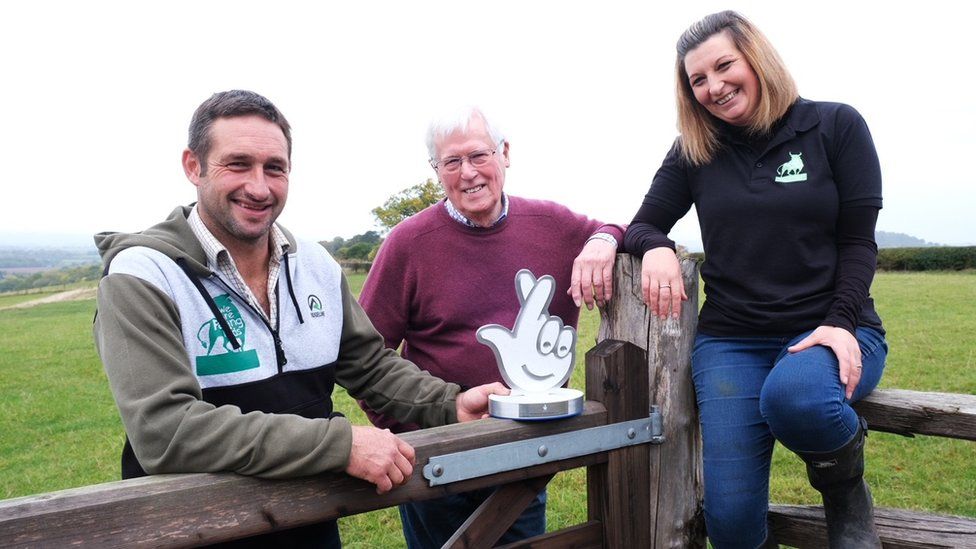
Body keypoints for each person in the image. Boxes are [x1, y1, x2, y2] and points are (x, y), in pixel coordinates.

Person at [93, 90, 506, 548]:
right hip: (192, 530)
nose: (259, 186)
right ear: (194, 166)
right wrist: (338, 444)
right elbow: (167, 432)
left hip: (308, 525)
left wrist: (450, 403)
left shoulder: (314, 266)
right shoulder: (143, 275)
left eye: (274, 167)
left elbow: (369, 366)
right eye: (237, 164)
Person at [625, 11, 887, 549]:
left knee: (797, 397)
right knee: (732, 525)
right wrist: (655, 248)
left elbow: (859, 242)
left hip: (834, 328)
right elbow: (643, 225)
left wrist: (840, 324)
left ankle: (845, 492)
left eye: (724, 66)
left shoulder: (835, 126)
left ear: (756, 59)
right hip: (733, 342)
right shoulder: (693, 151)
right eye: (698, 80)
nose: (714, 87)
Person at [358, 106, 625, 548]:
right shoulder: (408, 243)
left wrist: (603, 238)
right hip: (437, 452)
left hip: (526, 447)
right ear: (436, 170)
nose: (468, 173)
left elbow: (623, 231)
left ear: (505, 153)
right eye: (451, 162)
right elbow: (364, 353)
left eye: (479, 155)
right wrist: (409, 437)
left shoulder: (554, 225)